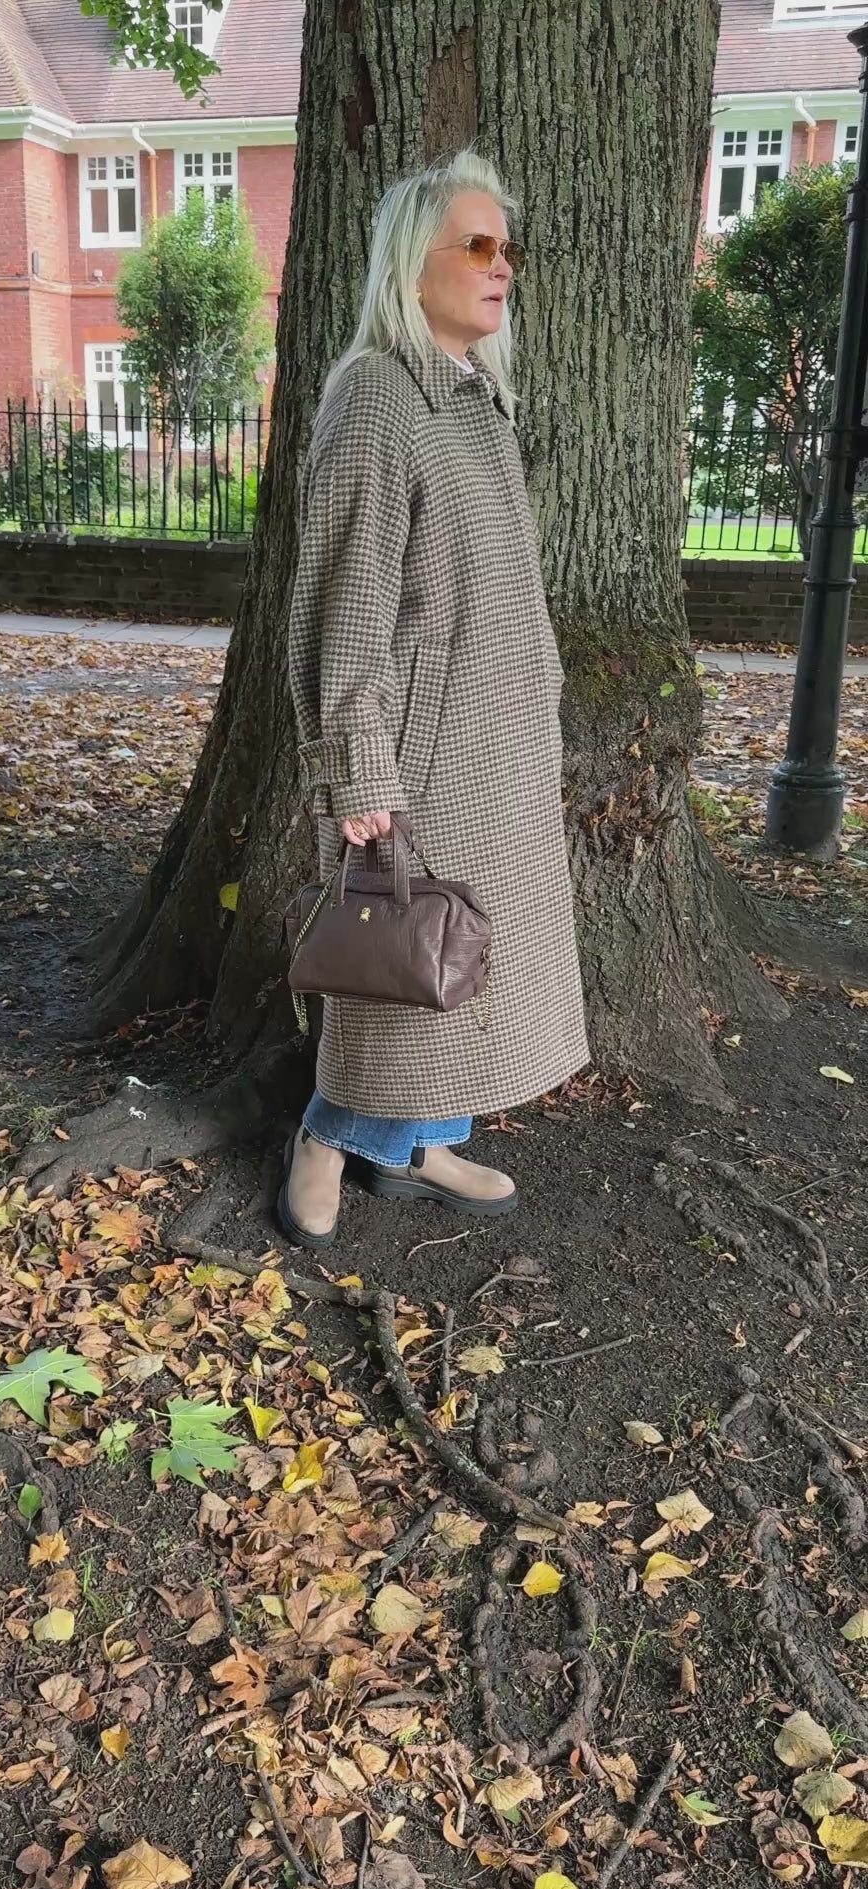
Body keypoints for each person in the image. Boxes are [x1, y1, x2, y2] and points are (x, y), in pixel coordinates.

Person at [279, 149, 590, 1251]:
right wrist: (359, 765)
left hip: (498, 746)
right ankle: (325, 1135)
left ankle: (422, 1142)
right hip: (426, 747)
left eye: (507, 247)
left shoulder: (475, 400)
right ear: (414, 264)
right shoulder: (376, 397)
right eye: (476, 245)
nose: (500, 266)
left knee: (467, 967)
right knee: (404, 958)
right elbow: (344, 597)